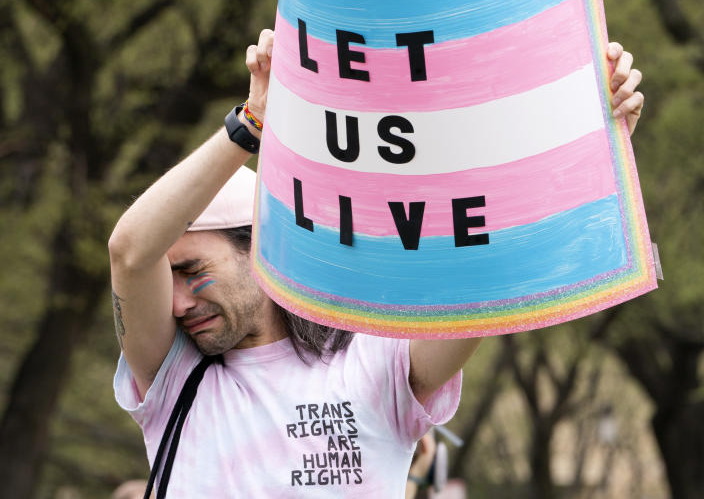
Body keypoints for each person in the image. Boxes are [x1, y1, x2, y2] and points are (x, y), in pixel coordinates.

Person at [109, 29, 644, 497]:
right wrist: (253, 121)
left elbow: (487, 272)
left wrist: (586, 141)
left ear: (261, 246)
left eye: (191, 271)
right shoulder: (173, 377)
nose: (177, 303)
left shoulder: (376, 362)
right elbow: (130, 252)